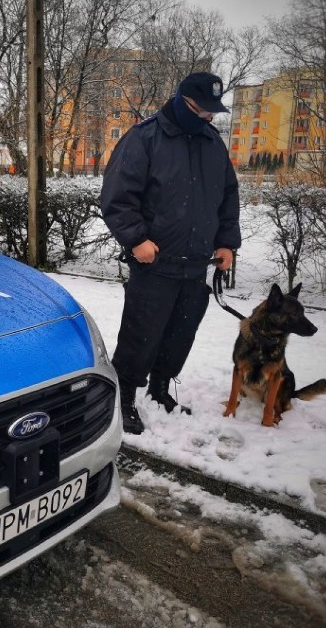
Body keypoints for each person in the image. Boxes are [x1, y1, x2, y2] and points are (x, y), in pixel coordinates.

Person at [100, 71, 241, 434]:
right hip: (154, 263)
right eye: (201, 110)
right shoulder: (144, 138)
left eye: (212, 112)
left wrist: (226, 242)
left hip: (196, 265)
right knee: (140, 337)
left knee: (180, 335)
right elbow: (117, 198)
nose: (208, 118)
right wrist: (135, 240)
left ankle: (161, 388)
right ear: (182, 101)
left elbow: (227, 197)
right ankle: (125, 396)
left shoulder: (212, 143)